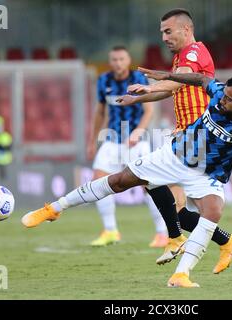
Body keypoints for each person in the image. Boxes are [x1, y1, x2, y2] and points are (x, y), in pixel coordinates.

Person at [20, 70, 232, 288]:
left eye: (231, 100)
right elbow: (201, 79)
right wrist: (166, 76)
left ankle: (181, 275)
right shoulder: (220, 92)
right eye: (225, 95)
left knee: (213, 210)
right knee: (119, 181)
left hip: (206, 175)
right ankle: (55, 208)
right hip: (172, 156)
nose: (222, 100)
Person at [117, 8, 232, 273]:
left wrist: (150, 86)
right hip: (186, 135)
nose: (163, 37)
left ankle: (176, 240)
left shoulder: (195, 53)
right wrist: (139, 98)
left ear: (186, 29)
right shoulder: (180, 60)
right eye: (161, 32)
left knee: (149, 179)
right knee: (174, 205)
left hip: (198, 137)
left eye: (168, 31)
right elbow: (169, 90)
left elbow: (171, 86)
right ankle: (224, 240)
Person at [86, 46, 168, 248]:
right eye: (114, 59)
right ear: (110, 61)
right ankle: (110, 230)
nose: (118, 63)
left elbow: (149, 110)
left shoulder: (137, 79)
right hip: (112, 139)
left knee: (149, 185)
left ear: (128, 59)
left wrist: (139, 131)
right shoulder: (103, 80)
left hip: (136, 141)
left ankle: (162, 233)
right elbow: (100, 113)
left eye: (121, 59)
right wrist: (92, 140)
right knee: (98, 180)